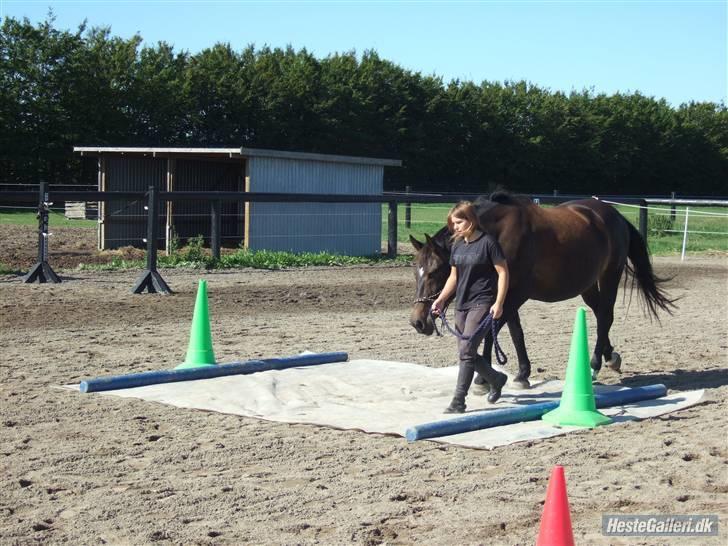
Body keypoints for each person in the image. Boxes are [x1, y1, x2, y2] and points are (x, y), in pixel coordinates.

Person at [431, 201, 510, 413]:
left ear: (471, 220)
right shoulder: (457, 245)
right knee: (467, 351)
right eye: (453, 223)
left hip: (482, 302)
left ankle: (458, 401)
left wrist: (499, 303)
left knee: (466, 351)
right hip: (461, 305)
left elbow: (503, 273)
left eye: (459, 222)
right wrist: (440, 299)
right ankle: (496, 378)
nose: (455, 227)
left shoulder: (488, 243)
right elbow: (454, 277)